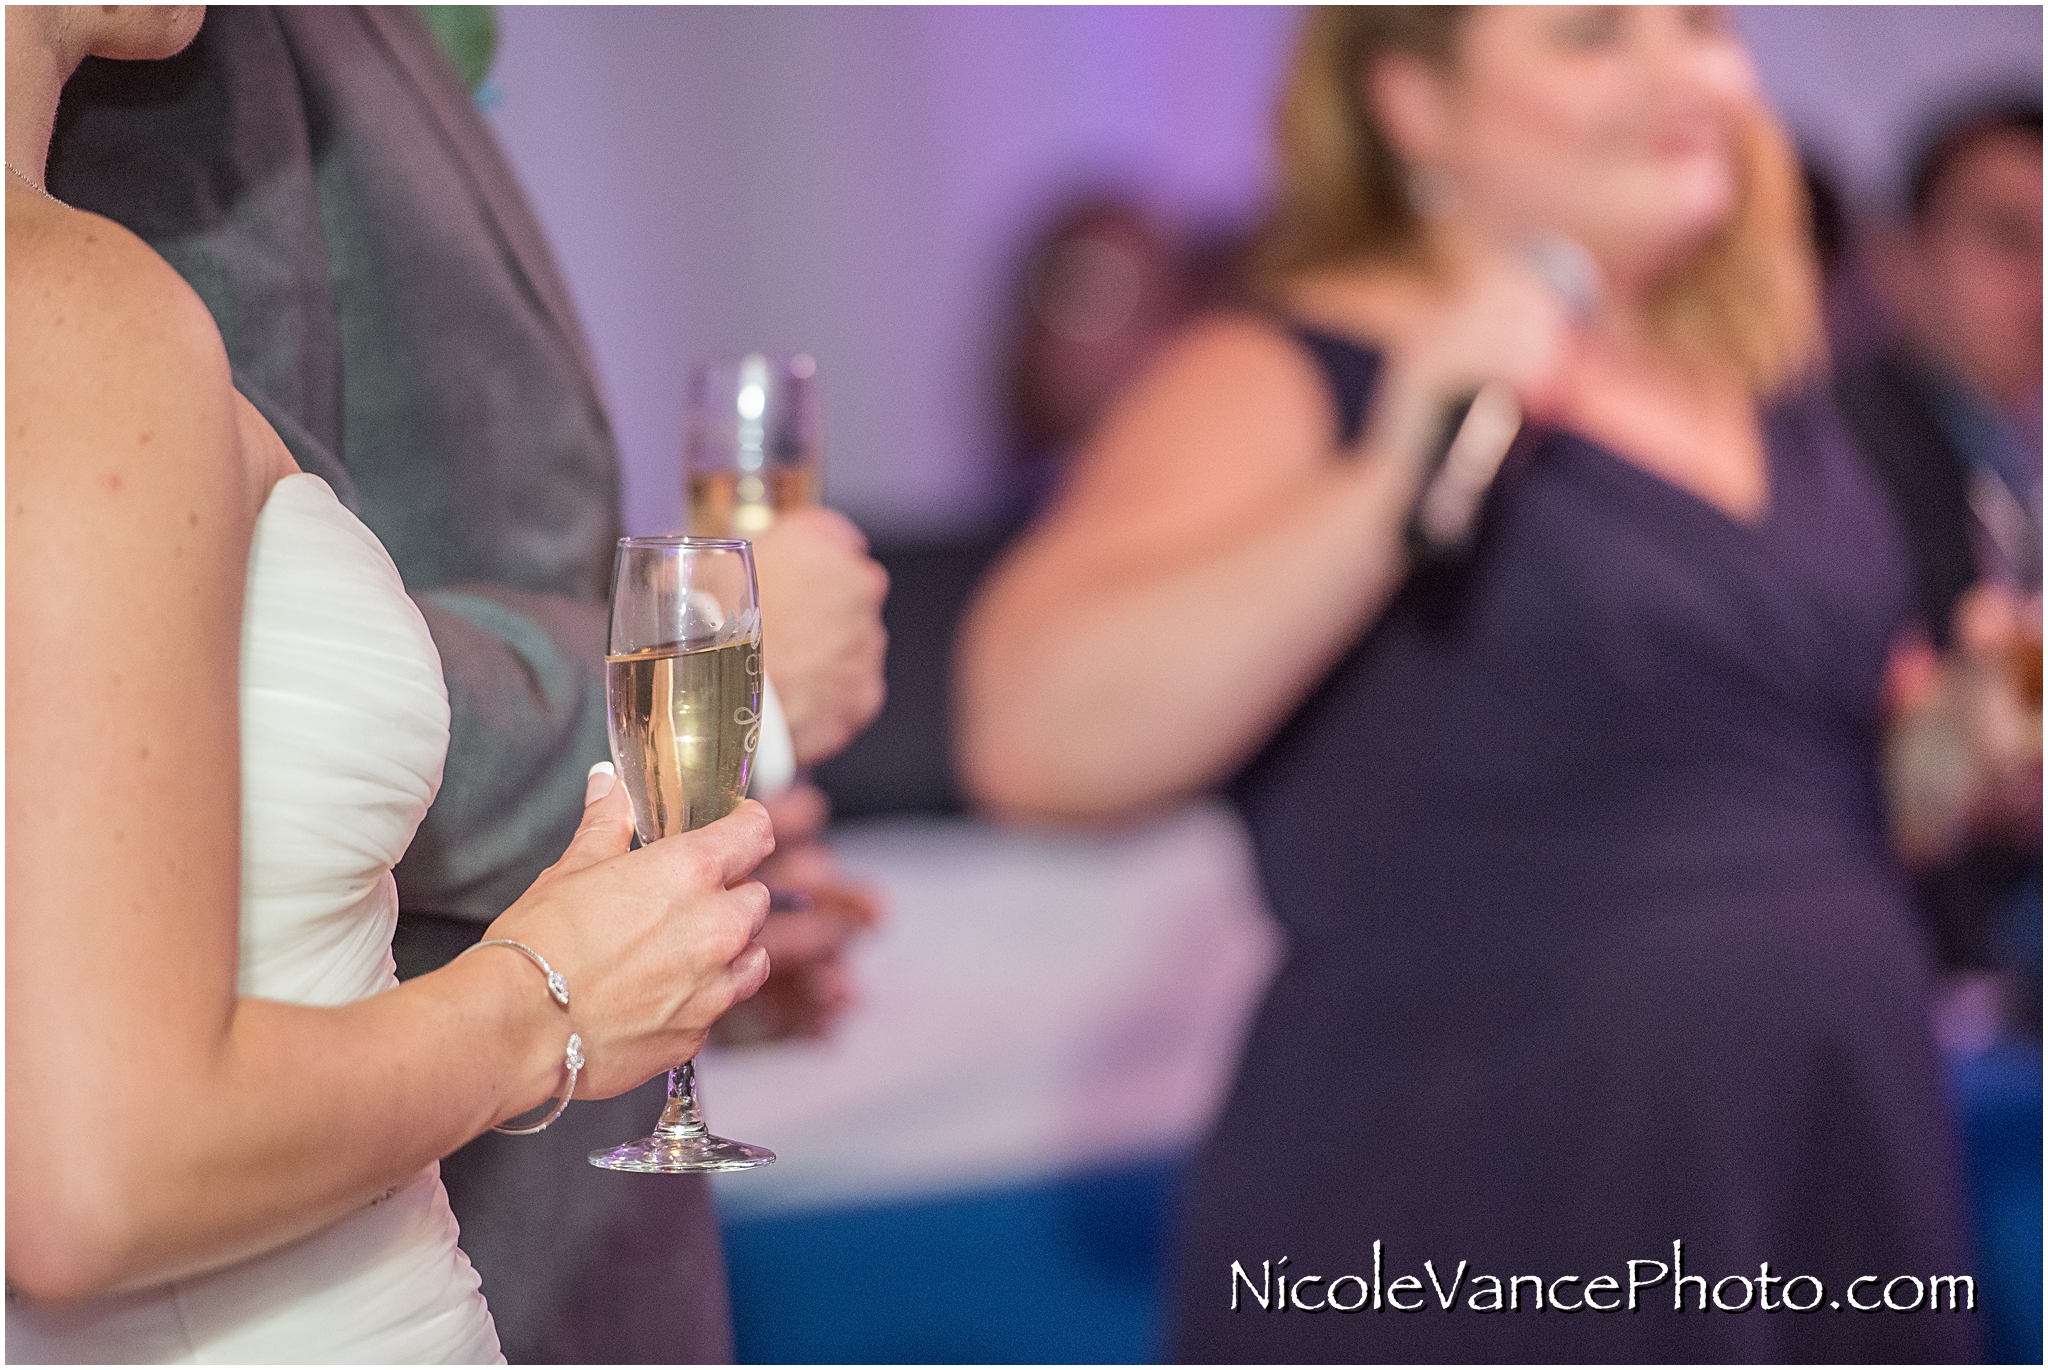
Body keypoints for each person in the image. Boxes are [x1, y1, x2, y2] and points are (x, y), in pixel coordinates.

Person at [959, 7, 1982, 1361]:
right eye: (1594, 34)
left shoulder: (1778, 385)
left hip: (1831, 1155)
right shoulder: (1285, 371)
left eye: (1702, 21)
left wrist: (1960, 754)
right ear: (1413, 106)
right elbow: (1039, 735)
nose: (1685, 70)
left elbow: (1785, 799)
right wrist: (1394, 474)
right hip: (1491, 1184)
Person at [47, 8, 887, 1360]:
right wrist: (556, 987)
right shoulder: (161, 92)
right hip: (360, 1176)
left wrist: (663, 913)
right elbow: (216, 647)